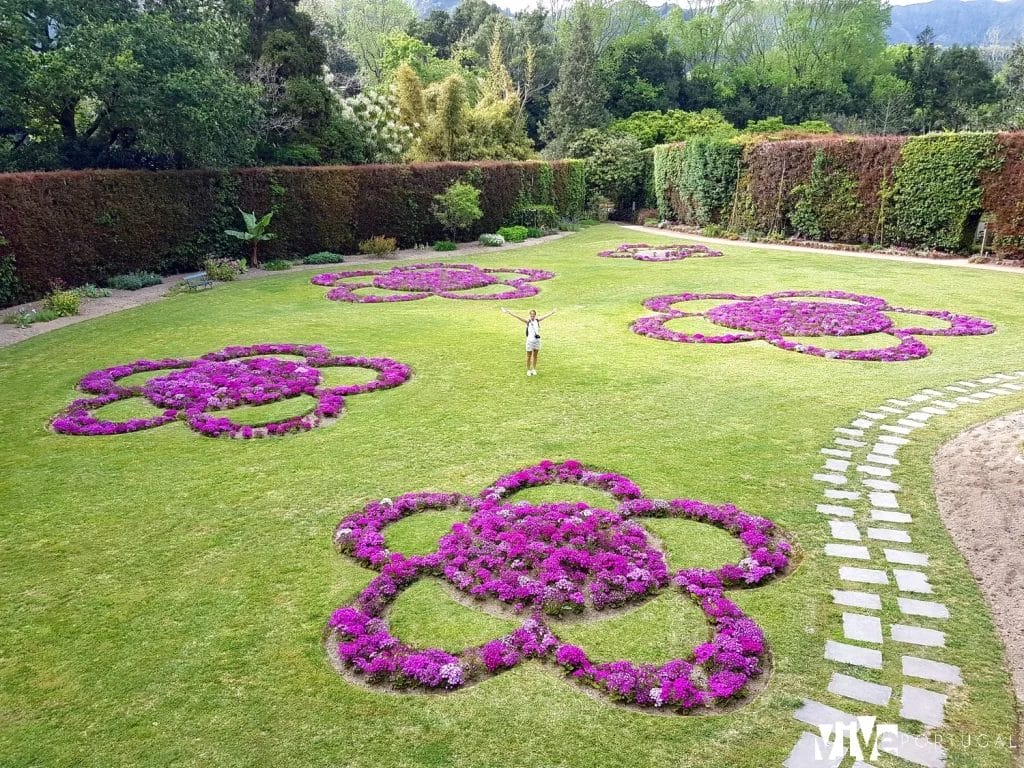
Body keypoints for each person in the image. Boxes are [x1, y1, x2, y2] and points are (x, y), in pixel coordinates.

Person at [501, 307, 556, 376]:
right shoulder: (528, 322)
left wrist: (552, 312)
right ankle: (528, 370)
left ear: (535, 315)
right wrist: (509, 312)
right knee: (528, 356)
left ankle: (534, 369)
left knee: (535, 356)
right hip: (529, 341)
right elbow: (518, 317)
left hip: (537, 341)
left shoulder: (537, 321)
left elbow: (545, 316)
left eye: (533, 316)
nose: (532, 317)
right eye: (531, 316)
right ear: (529, 315)